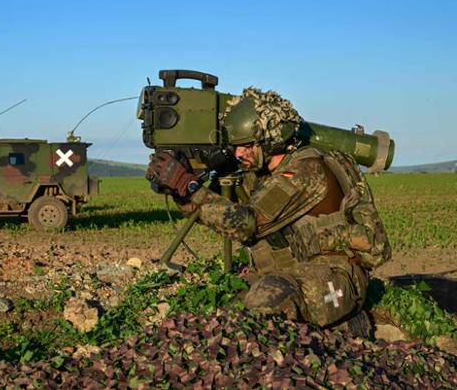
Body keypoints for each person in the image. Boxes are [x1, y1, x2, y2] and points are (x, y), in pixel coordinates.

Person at [146, 88, 391, 334]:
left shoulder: (304, 172)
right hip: (285, 273)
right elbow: (219, 211)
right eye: (235, 146)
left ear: (271, 141)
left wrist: (188, 186)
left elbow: (246, 224)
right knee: (223, 307)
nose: (238, 154)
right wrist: (179, 191)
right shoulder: (262, 173)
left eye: (246, 146)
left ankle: (346, 326)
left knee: (263, 304)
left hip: (332, 276)